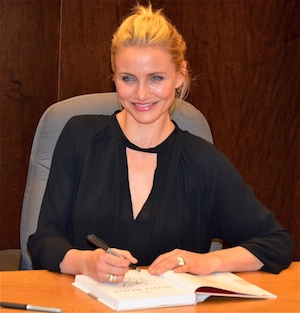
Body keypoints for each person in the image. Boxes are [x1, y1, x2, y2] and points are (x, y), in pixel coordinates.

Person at [28, 3, 295, 284]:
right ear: (114, 76)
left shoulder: (203, 162)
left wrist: (207, 262)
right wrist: (85, 262)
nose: (141, 94)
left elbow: (276, 243)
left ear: (180, 75)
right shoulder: (80, 137)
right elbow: (44, 240)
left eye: (156, 78)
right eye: (128, 78)